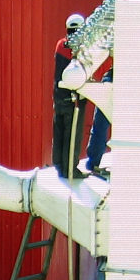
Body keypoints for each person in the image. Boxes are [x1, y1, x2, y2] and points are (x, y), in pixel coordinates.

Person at [52, 14, 83, 179]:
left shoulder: (60, 44)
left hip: (58, 97)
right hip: (72, 98)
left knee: (59, 132)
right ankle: (70, 169)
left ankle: (58, 165)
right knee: (72, 135)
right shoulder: (77, 49)